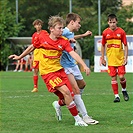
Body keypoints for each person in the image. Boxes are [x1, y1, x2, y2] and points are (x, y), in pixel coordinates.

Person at [8, 15, 91, 126]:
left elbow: (73, 54)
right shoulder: (42, 38)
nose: (62, 30)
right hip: (48, 73)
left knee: (69, 96)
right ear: (51, 28)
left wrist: (83, 65)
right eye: (59, 28)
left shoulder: (64, 41)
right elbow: (32, 47)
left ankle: (58, 105)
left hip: (60, 71)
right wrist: (19, 57)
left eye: (62, 28)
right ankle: (78, 120)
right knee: (67, 92)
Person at [54, 12, 98, 125]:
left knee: (82, 85)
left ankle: (58, 104)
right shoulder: (62, 31)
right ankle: (85, 116)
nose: (80, 25)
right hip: (65, 66)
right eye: (78, 23)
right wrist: (68, 41)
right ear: (72, 22)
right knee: (76, 90)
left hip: (73, 64)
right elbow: (56, 38)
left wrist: (82, 35)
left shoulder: (69, 33)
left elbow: (70, 37)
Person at [101, 14, 129, 103]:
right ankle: (116, 96)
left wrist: (125, 57)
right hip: (111, 60)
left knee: (121, 77)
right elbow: (102, 45)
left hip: (120, 59)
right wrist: (102, 57)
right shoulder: (105, 32)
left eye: (114, 22)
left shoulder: (121, 32)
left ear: (116, 22)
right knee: (113, 78)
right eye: (110, 22)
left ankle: (124, 90)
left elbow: (125, 45)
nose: (112, 24)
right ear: (108, 23)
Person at [31, 19, 49, 92]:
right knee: (35, 70)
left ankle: (50, 85)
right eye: (37, 25)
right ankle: (35, 87)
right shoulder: (34, 35)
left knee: (44, 71)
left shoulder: (44, 33)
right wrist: (32, 55)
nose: (38, 26)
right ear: (34, 26)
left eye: (40, 25)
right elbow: (33, 46)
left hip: (43, 53)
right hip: (36, 54)